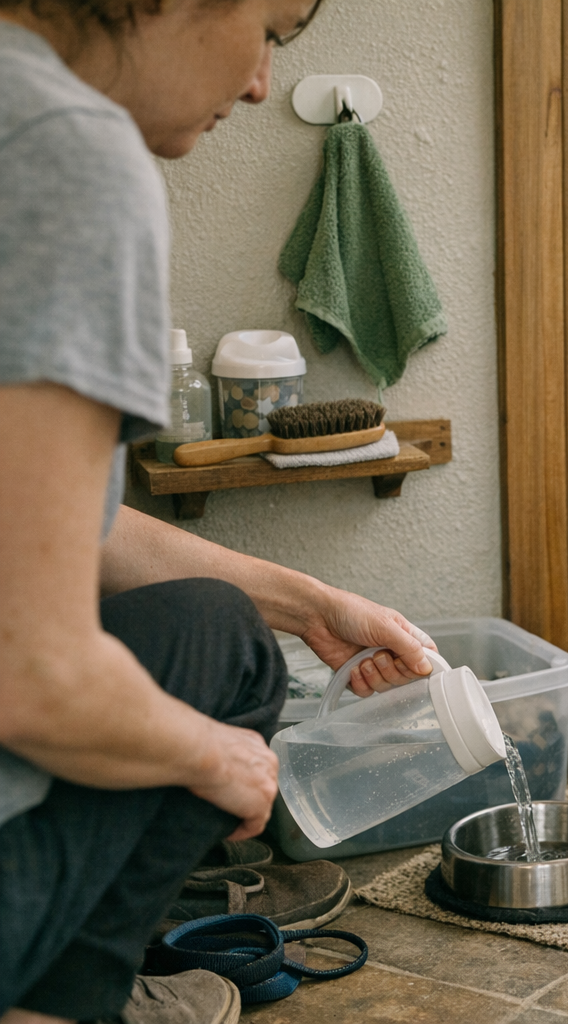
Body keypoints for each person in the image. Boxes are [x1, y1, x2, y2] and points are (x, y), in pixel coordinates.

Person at [0, 0, 436, 1019]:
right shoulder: (66, 150)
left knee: (219, 627)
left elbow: (42, 523)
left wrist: (309, 601)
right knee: (226, 685)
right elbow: (36, 674)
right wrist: (226, 757)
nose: (256, 83)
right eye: (276, 32)